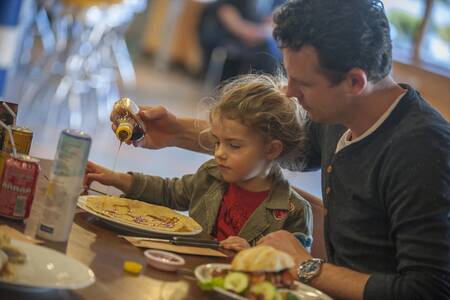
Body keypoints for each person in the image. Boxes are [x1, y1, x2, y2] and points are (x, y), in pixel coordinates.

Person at [123, 0, 450, 299]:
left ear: (355, 82)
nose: (290, 93)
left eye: (303, 83)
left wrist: (306, 266)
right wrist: (174, 131)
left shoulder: (423, 151)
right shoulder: (338, 114)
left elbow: (428, 290)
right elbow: (262, 142)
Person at [86, 74, 313, 251]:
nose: (219, 154)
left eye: (234, 145)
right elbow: (169, 192)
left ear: (272, 149)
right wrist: (117, 179)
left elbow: (295, 275)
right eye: (217, 142)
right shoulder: (212, 174)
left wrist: (253, 256)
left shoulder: (294, 212)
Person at [198, 0, 285, 81]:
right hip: (230, 37)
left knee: (279, 48)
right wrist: (254, 34)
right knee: (267, 49)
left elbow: (274, 20)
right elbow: (228, 16)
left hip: (259, 38)